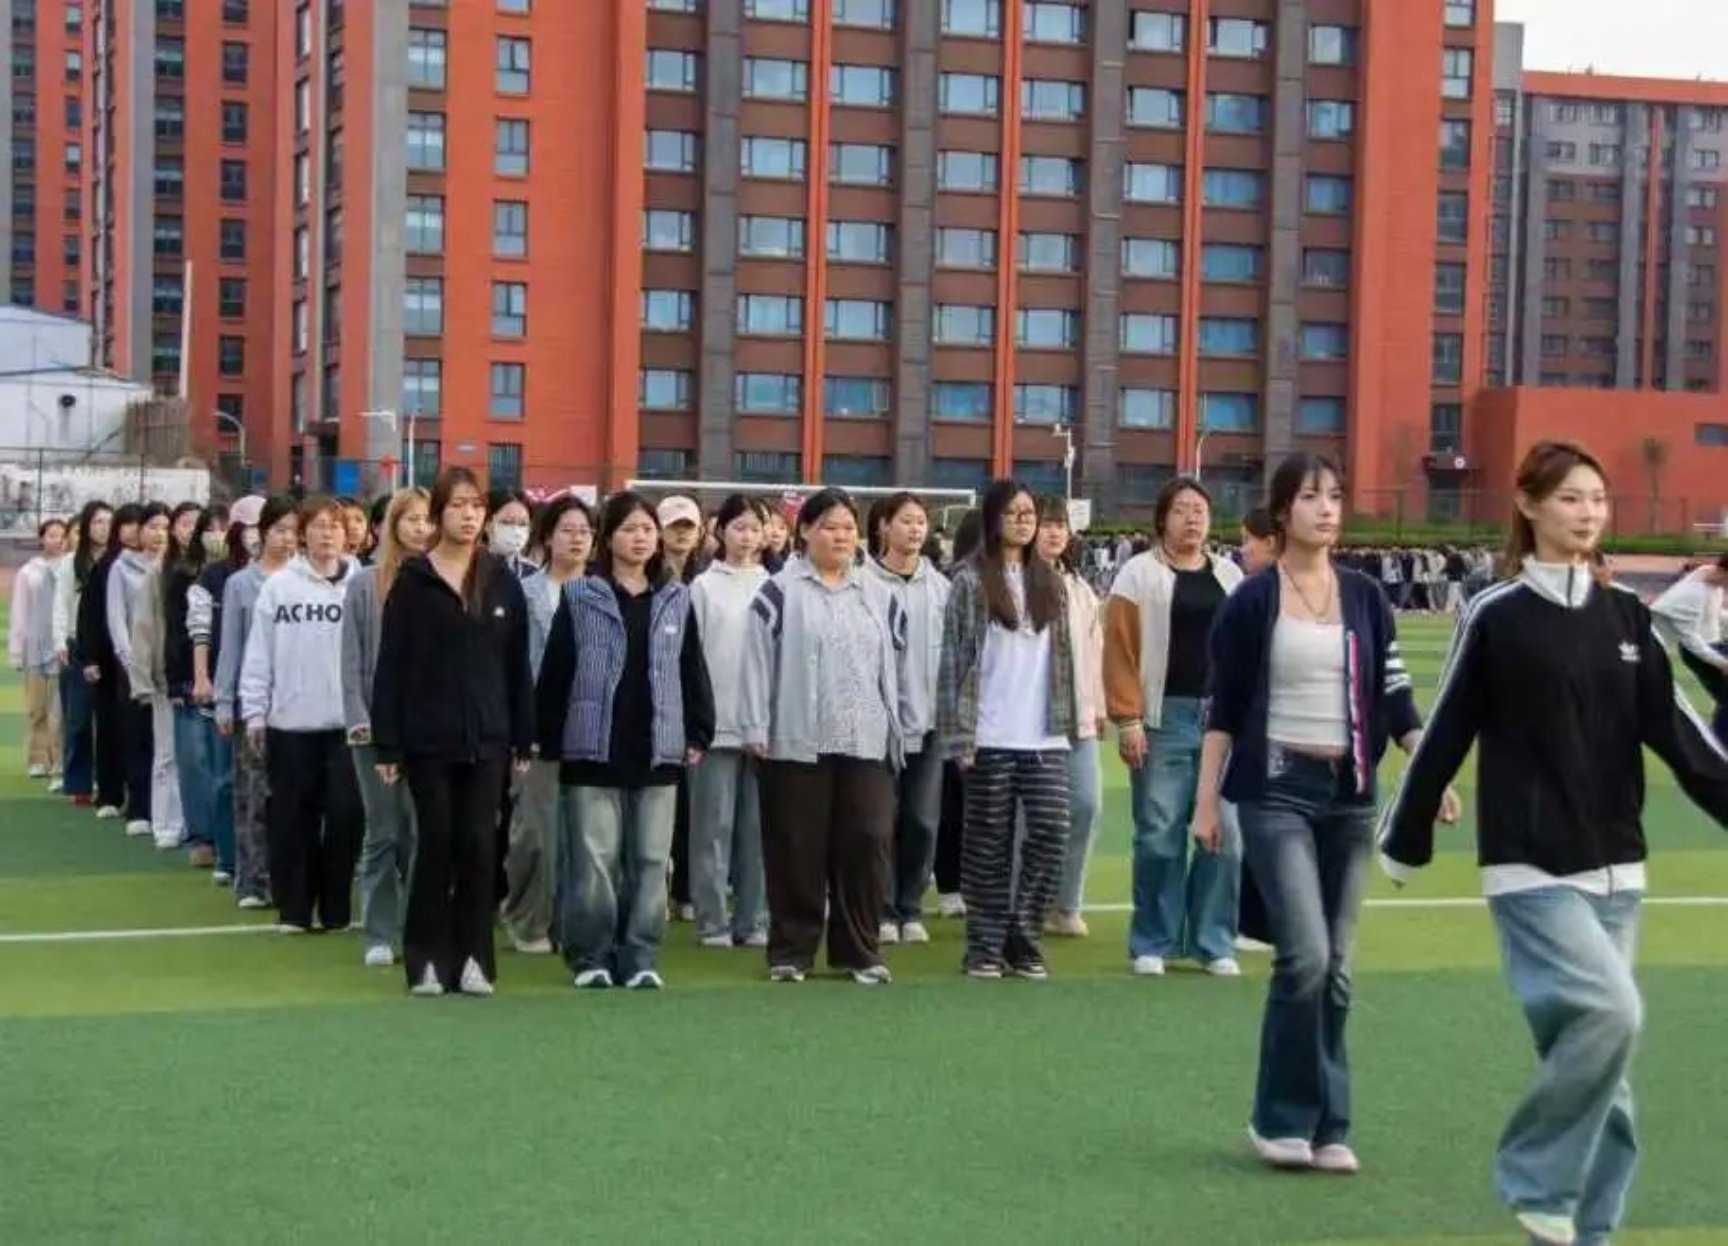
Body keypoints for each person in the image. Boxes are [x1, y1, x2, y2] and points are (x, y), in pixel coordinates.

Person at [1378, 441, 1728, 1246]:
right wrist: (1405, 835)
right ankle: (1536, 1177)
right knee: (1614, 1015)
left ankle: (1587, 1234)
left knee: (1605, 1072)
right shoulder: (1496, 615)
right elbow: (1447, 727)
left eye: (1597, 499)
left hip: (1619, 872)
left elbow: (1683, 737)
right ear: (1530, 505)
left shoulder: (1628, 617)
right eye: (1571, 498)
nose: (1588, 512)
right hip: (1530, 869)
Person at [1194, 451, 1456, 1174]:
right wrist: (1207, 802)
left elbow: (1396, 696)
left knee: (1337, 967)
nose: (1326, 509)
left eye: (1335, 497)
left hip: (1349, 795)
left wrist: (1429, 771)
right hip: (1275, 789)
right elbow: (1223, 708)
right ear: (1283, 512)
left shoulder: (1365, 597)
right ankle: (1277, 1119)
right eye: (1311, 497)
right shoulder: (1252, 601)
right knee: (1305, 955)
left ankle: (1328, 1125)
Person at [536, 491, 715, 990]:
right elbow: (557, 669)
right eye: (629, 529)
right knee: (595, 859)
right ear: (608, 537)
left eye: (647, 530)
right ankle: (591, 955)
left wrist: (699, 729)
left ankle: (640, 955)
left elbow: (691, 669)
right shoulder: (580, 596)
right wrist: (544, 735)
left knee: (652, 860)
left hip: (658, 747)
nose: (640, 538)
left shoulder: (676, 598)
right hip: (592, 747)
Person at [373, 468, 533, 997]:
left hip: (488, 739)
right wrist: (388, 743)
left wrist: (523, 736)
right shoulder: (414, 582)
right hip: (428, 739)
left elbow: (517, 665)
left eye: (476, 506)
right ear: (439, 513)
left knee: (479, 845)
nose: (469, 515)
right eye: (458, 505)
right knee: (436, 842)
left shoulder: (501, 579)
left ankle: (475, 959)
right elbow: (391, 666)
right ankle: (425, 959)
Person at [740, 488, 906, 985]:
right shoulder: (778, 592)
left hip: (866, 736)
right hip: (796, 738)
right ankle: (792, 951)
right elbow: (756, 663)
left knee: (868, 839)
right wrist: (755, 725)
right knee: (796, 845)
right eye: (829, 527)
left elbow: (896, 663)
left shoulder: (879, 594)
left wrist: (903, 725)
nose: (841, 536)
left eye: (848, 527)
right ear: (805, 531)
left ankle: (860, 950)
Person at [1105, 477, 1245, 976]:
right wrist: (1128, 718)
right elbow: (1119, 650)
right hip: (1161, 717)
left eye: (1200, 510)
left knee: (1225, 831)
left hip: (1221, 721)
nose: (1193, 518)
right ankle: (1154, 940)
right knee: (1159, 832)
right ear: (1162, 518)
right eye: (1182, 509)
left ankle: (1213, 941)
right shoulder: (1137, 574)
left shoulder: (1230, 575)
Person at [937, 479, 1075, 981]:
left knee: (1052, 830)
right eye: (1013, 512)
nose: (1023, 521)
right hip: (989, 734)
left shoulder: (1051, 583)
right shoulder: (969, 581)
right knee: (987, 843)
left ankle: (1024, 936)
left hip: (1044, 736)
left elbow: (1063, 661)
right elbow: (952, 661)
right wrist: (959, 736)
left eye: (1029, 513)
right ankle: (985, 947)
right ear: (993, 519)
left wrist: (1070, 721)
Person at [238, 496, 364, 934]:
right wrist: (255, 712)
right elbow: (259, 653)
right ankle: (294, 909)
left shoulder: (362, 586)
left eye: (335, 526)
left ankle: (335, 909)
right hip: (290, 724)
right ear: (303, 534)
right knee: (293, 820)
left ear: (347, 534)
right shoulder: (279, 588)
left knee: (347, 817)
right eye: (318, 526)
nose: (327, 534)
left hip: (347, 726)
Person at [341, 487, 431, 968]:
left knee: (423, 833)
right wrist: (359, 721)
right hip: (374, 731)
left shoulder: (444, 581)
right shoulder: (364, 584)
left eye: (427, 519)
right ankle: (378, 931)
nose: (421, 528)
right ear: (391, 525)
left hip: (430, 730)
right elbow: (351, 660)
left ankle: (418, 927)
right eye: (411, 519)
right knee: (383, 831)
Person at [501, 493, 593, 954]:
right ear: (548, 537)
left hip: (590, 731)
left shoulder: (602, 594)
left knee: (585, 837)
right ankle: (527, 919)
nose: (576, 540)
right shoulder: (523, 592)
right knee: (534, 833)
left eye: (584, 532)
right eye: (567, 531)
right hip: (535, 729)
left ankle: (575, 923)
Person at [864, 491, 950, 946]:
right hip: (877, 723)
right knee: (879, 821)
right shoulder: (864, 583)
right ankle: (880, 908)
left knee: (921, 819)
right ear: (884, 526)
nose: (915, 529)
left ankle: (910, 907)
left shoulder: (940, 587)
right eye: (906, 521)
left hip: (929, 722)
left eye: (920, 521)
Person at [687, 495, 772, 949]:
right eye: (738, 527)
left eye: (754, 528)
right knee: (712, 828)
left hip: (763, 726)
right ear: (721, 532)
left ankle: (754, 919)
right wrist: (696, 723)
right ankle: (712, 919)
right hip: (715, 724)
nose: (747, 536)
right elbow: (691, 658)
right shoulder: (703, 586)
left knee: (757, 832)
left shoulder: (774, 586)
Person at [214, 496, 298, 909]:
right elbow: (230, 645)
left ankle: (289, 878)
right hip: (254, 705)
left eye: (294, 532)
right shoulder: (241, 585)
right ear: (263, 532)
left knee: (291, 796)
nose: (287, 539)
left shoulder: (305, 582)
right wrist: (225, 700)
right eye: (280, 530)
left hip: (297, 704)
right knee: (251, 794)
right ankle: (252, 880)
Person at [1035, 498, 1105, 938]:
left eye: (1060, 525)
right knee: (1030, 818)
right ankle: (1025, 903)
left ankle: (1066, 903)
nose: (1054, 532)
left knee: (1086, 804)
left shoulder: (1080, 588)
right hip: (1030, 721)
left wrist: (1098, 706)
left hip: (1078, 716)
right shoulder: (1010, 583)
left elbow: (1096, 651)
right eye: (1046, 524)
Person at [186, 495, 265, 887]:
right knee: (225, 778)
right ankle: (227, 855)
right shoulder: (215, 577)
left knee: (262, 782)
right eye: (249, 528)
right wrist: (204, 678)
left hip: (266, 691)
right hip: (227, 687)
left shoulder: (284, 576)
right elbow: (202, 632)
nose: (256, 536)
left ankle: (261, 860)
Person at [107, 503, 172, 840]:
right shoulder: (122, 567)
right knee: (137, 736)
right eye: (153, 527)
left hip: (164, 666)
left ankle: (166, 812)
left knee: (165, 743)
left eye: (164, 527)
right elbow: (117, 616)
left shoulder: (174, 568)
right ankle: (139, 808)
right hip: (132, 664)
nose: (159, 534)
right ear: (140, 531)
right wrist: (128, 658)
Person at [932, 508, 984, 918]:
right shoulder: (959, 583)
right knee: (953, 801)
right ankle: (949, 882)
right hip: (956, 705)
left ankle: (968, 881)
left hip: (993, 710)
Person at [54, 502, 111, 806]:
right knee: (78, 719)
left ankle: (109, 780)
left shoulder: (117, 561)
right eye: (98, 521)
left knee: (109, 718)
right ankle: (78, 782)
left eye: (109, 522)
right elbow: (61, 604)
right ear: (87, 526)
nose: (104, 528)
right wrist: (59, 643)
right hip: (76, 645)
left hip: (109, 646)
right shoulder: (70, 563)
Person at [11, 518, 68, 780]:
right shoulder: (28, 572)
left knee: (58, 712)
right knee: (37, 709)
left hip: (60, 648)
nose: (57, 541)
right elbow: (19, 612)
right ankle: (37, 759)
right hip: (34, 648)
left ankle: (58, 760)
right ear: (42, 539)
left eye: (61, 536)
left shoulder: (70, 568)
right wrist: (17, 650)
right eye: (52, 535)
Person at [1650, 552, 1728, 714]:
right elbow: (1691, 641)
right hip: (1688, 652)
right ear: (1722, 571)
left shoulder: (1709, 574)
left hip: (1709, 644)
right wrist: (1722, 663)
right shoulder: (1691, 595)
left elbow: (1714, 612)